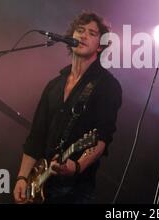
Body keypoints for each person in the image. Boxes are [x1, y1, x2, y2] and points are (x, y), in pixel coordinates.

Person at [13, 11, 122, 204]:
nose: (83, 35)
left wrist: (77, 166)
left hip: (76, 190)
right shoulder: (54, 85)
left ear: (100, 45)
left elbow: (103, 136)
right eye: (80, 30)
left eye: (91, 33)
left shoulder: (107, 85)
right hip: (41, 183)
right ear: (71, 36)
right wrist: (23, 177)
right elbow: (36, 136)